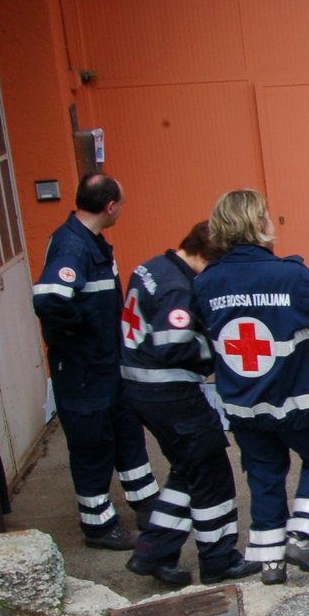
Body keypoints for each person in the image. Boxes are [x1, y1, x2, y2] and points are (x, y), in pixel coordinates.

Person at [194, 190, 309, 586]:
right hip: (304, 400)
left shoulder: (205, 283)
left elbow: (203, 336)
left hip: (246, 406)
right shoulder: (293, 275)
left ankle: (270, 562)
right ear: (260, 224)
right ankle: (304, 536)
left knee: (263, 474)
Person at [120, 222, 259, 587]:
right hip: (171, 394)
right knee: (211, 472)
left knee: (188, 469)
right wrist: (218, 349)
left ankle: (154, 552)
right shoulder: (177, 289)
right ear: (206, 257)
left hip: (141, 388)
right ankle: (219, 558)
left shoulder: (152, 267)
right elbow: (174, 344)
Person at [31, 173, 157, 550]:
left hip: (107, 362)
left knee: (126, 431)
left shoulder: (90, 242)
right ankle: (99, 525)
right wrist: (79, 331)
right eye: (122, 203)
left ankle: (146, 503)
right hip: (84, 368)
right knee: (92, 443)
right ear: (110, 207)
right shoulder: (73, 247)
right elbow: (50, 300)